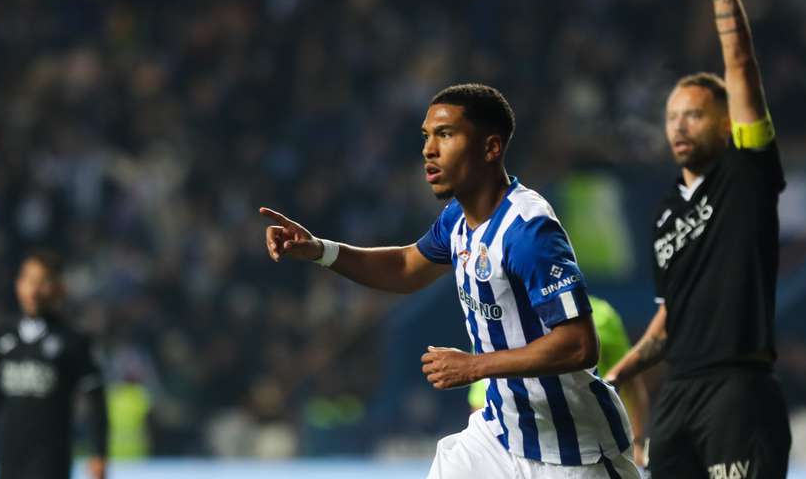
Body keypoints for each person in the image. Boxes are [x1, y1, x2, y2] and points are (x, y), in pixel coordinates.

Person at [261, 84, 641, 478]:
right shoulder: (457, 220)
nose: (429, 149)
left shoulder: (529, 231)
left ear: (491, 148)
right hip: (500, 436)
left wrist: (475, 366)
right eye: (426, 136)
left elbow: (580, 345)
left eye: (445, 135)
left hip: (571, 450)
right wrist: (320, 250)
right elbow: (406, 266)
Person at [604, 0, 791, 479]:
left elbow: (740, 64)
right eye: (670, 117)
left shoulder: (746, 172)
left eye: (693, 114)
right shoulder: (664, 213)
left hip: (738, 388)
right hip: (677, 398)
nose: (678, 125)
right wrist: (620, 373)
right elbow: (670, 318)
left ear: (724, 121)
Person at [0, 251, 109, 479]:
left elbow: (95, 400)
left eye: (42, 282)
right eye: (28, 280)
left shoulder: (74, 340)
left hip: (51, 460)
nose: (34, 290)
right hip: (9, 459)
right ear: (18, 284)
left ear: (59, 288)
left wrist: (99, 452)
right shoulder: (4, 337)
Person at [469, 294, 649, 467]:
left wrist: (638, 442)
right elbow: (482, 397)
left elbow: (631, 385)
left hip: (589, 445)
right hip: (522, 447)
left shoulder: (601, 314)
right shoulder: (497, 325)